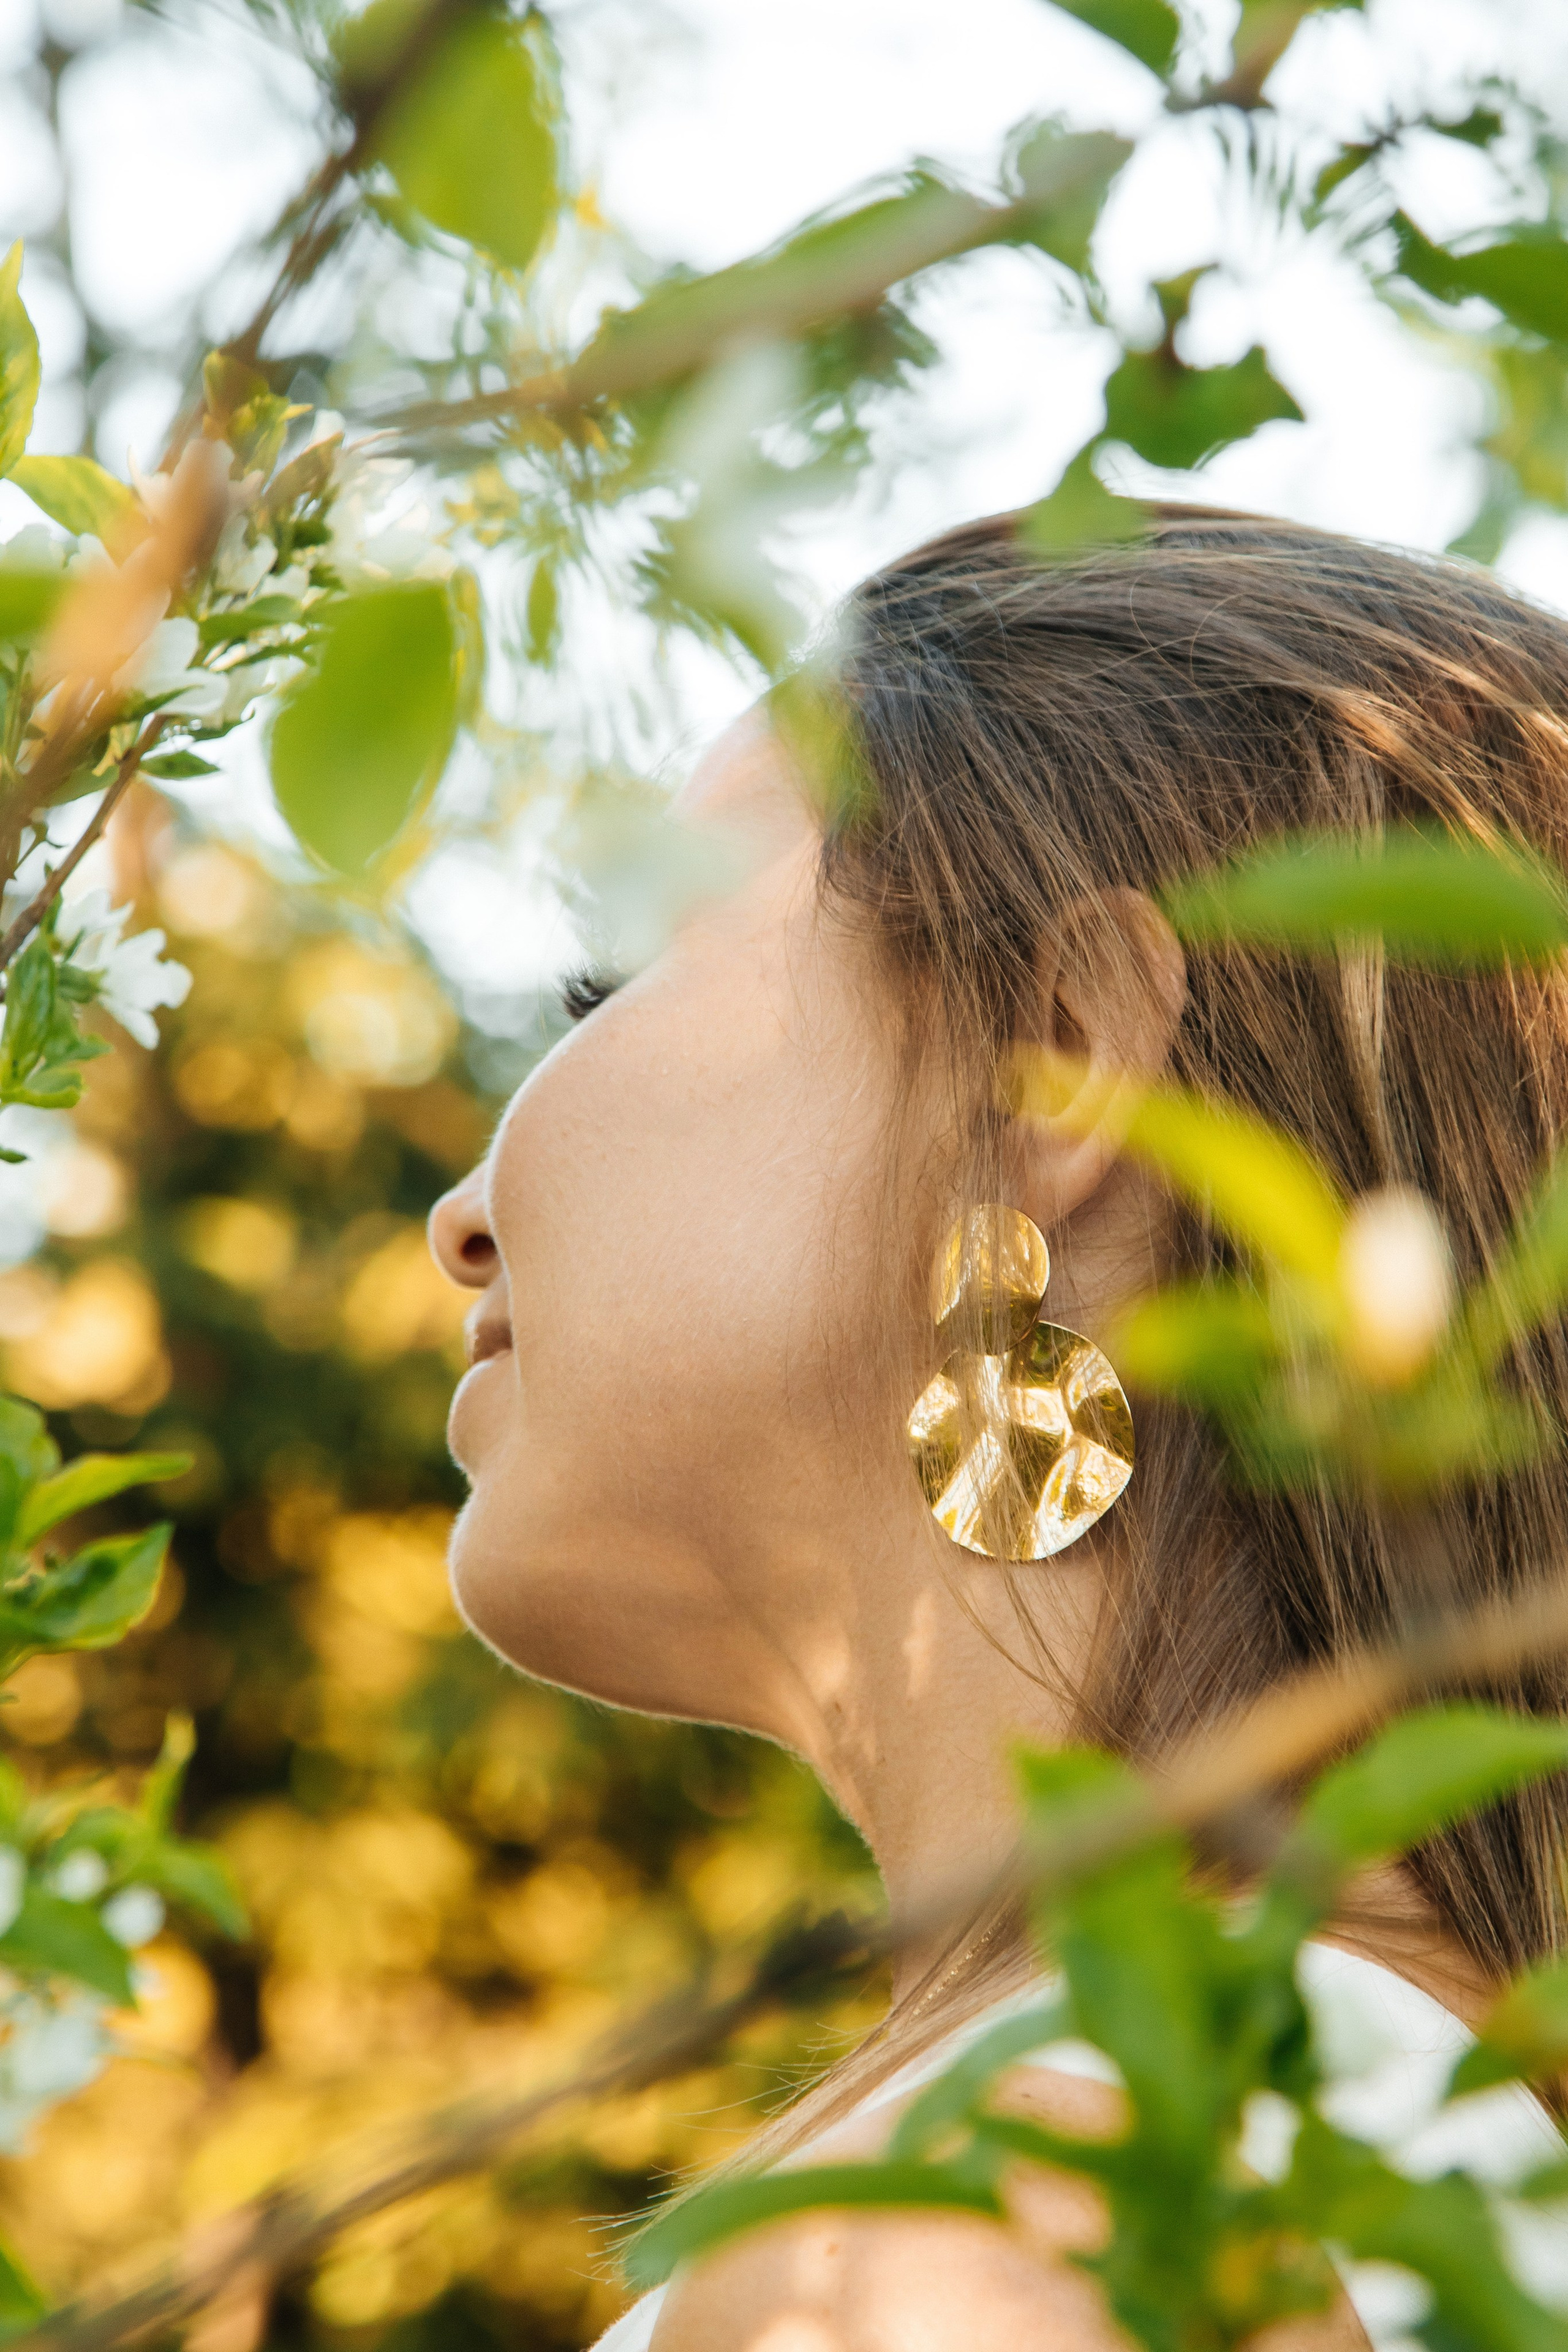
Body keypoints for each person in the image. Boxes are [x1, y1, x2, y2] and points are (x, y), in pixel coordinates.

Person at [428, 508, 1568, 2350]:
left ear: (1051, 1051)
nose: (461, 1214)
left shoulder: (1019, 2223)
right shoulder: (1353, 2138)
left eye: (617, 975)